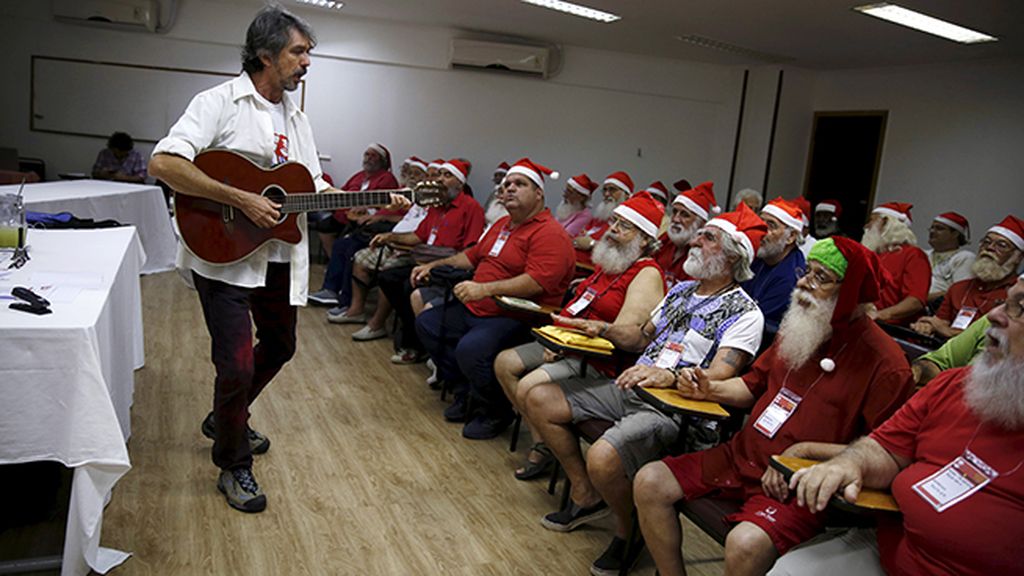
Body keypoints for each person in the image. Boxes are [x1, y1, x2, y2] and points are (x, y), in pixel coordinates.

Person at [149, 5, 340, 513]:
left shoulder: (298, 118)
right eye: (299, 52)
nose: (306, 63)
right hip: (225, 254)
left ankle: (227, 415)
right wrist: (241, 198)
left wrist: (361, 201)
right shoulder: (218, 103)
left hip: (276, 254)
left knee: (280, 345)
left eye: (308, 53)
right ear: (264, 54)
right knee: (233, 365)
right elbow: (164, 162)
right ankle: (234, 464)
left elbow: (313, 187)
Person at [635, 237, 914, 576]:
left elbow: (885, 453)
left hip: (799, 485)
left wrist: (801, 458)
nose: (803, 282)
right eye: (806, 271)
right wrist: (710, 389)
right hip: (742, 457)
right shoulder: (802, 327)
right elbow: (752, 386)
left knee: (744, 543)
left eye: (821, 278)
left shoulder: (885, 363)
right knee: (649, 481)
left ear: (853, 292)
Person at [526, 205, 767, 576]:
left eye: (708, 237)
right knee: (539, 398)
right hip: (634, 387)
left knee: (603, 458)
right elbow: (641, 337)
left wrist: (668, 377)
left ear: (733, 256)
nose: (696, 241)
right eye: (700, 234)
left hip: (677, 411)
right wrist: (600, 329)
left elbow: (717, 377)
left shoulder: (745, 312)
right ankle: (587, 494)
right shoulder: (682, 291)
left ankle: (629, 532)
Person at [771, 274, 1024, 576]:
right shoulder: (954, 385)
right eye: (1003, 303)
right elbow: (886, 449)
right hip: (895, 550)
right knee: (789, 571)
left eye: (1020, 308)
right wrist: (850, 464)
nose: (994, 316)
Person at [494, 192, 666, 481]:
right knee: (504, 362)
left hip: (596, 359)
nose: (613, 229)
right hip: (566, 342)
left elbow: (621, 337)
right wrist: (559, 339)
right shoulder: (611, 264)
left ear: (645, 240)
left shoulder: (646, 273)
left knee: (527, 386)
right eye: (615, 222)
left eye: (625, 226)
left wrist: (565, 344)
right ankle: (545, 443)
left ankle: (564, 465)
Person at [413, 158, 575, 439]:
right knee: (428, 323)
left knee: (471, 349)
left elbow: (536, 283)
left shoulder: (550, 233)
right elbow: (471, 256)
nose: (509, 189)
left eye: (519, 184)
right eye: (506, 185)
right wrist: (434, 266)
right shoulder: (503, 224)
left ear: (539, 193)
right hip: (477, 307)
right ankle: (467, 393)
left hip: (514, 316)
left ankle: (496, 411)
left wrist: (485, 289)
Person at [358, 159, 485, 352]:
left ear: (460, 183)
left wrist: (438, 264)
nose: (440, 179)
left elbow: (470, 250)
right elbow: (418, 236)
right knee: (388, 278)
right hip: (424, 260)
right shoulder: (436, 206)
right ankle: (414, 334)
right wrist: (388, 236)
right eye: (439, 174)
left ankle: (414, 344)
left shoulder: (471, 208)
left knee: (409, 284)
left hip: (448, 268)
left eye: (447, 175)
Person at [308, 143, 401, 307]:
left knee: (347, 246)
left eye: (374, 156)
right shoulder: (359, 175)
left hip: (369, 225)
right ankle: (331, 285)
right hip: (346, 217)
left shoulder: (387, 178)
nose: (368, 158)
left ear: (383, 161)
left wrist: (366, 214)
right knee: (331, 233)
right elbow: (342, 192)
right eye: (367, 154)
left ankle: (342, 295)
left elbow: (385, 207)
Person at [912, 215, 1023, 338]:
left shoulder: (1018, 294)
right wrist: (927, 325)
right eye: (986, 242)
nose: (989, 248)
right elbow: (940, 322)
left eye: (1001, 245)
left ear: (1017, 257)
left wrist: (949, 332)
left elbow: (1000, 338)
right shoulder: (959, 288)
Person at [742, 197, 807, 329]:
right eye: (761, 222)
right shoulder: (761, 255)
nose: (761, 230)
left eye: (771, 225)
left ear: (791, 237)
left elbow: (755, 322)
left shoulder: (790, 278)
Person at [862, 202, 931, 325]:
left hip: (888, 328)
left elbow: (915, 301)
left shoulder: (913, 255)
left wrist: (881, 315)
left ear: (885, 223)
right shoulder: (871, 255)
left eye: (872, 220)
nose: (866, 226)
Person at [654, 181, 719, 288]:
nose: (675, 219)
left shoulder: (704, 255)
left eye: (685, 215)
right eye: (675, 212)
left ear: (700, 223)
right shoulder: (664, 241)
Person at [573, 171, 633, 266]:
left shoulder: (628, 222)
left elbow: (623, 253)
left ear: (626, 195)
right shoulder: (602, 215)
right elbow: (581, 236)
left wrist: (592, 244)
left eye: (612, 190)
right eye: (604, 190)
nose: (607, 194)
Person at [924, 211, 975, 303]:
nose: (932, 231)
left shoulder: (964, 257)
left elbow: (960, 293)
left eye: (939, 228)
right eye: (931, 228)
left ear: (955, 234)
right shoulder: (922, 254)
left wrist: (919, 300)